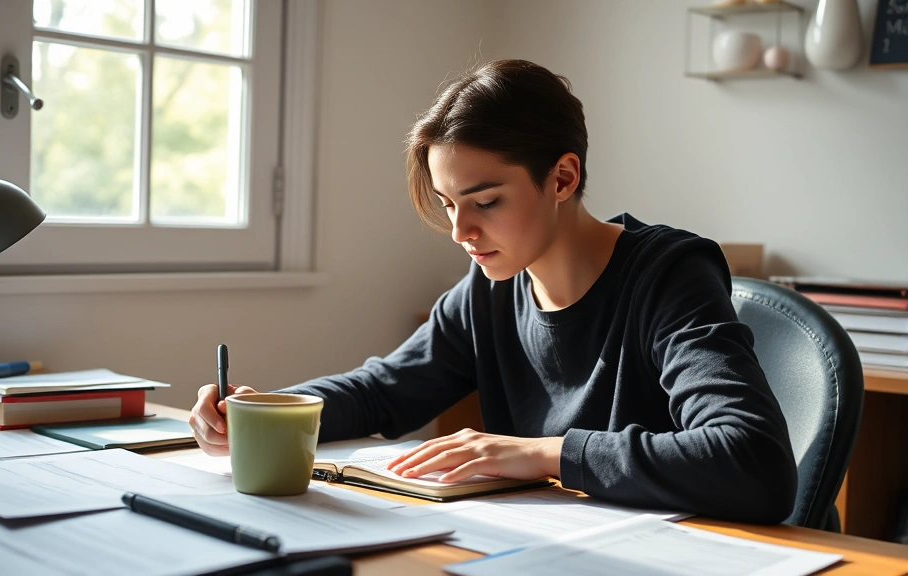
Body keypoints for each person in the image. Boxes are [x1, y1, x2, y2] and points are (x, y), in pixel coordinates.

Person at [190, 59, 797, 524]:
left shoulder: (668, 273)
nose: (460, 232)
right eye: (450, 204)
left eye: (485, 202)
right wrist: (261, 409)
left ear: (562, 177)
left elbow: (752, 462)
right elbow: (384, 389)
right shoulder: (491, 288)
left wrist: (543, 452)